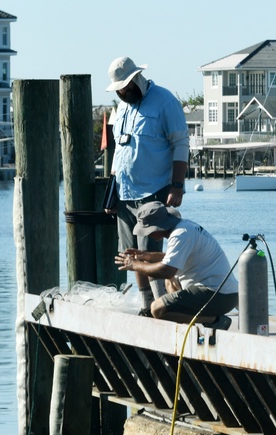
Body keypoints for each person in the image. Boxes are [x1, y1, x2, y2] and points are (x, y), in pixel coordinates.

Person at [103, 56, 190, 314]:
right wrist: (112, 192)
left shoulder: (165, 102)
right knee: (130, 255)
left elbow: (181, 144)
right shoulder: (123, 108)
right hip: (125, 194)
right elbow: (119, 152)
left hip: (154, 192)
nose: (123, 93)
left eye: (127, 87)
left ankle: (160, 304)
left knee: (150, 253)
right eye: (119, 89)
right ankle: (145, 306)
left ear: (137, 79)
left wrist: (177, 185)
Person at [114, 201, 237, 329]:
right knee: (170, 282)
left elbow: (166, 270)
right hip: (225, 293)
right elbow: (172, 259)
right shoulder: (184, 227)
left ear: (156, 228)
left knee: (157, 309)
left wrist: (134, 265)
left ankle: (215, 320)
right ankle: (181, 323)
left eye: (147, 231)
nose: (147, 235)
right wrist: (146, 256)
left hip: (218, 295)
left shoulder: (180, 235)